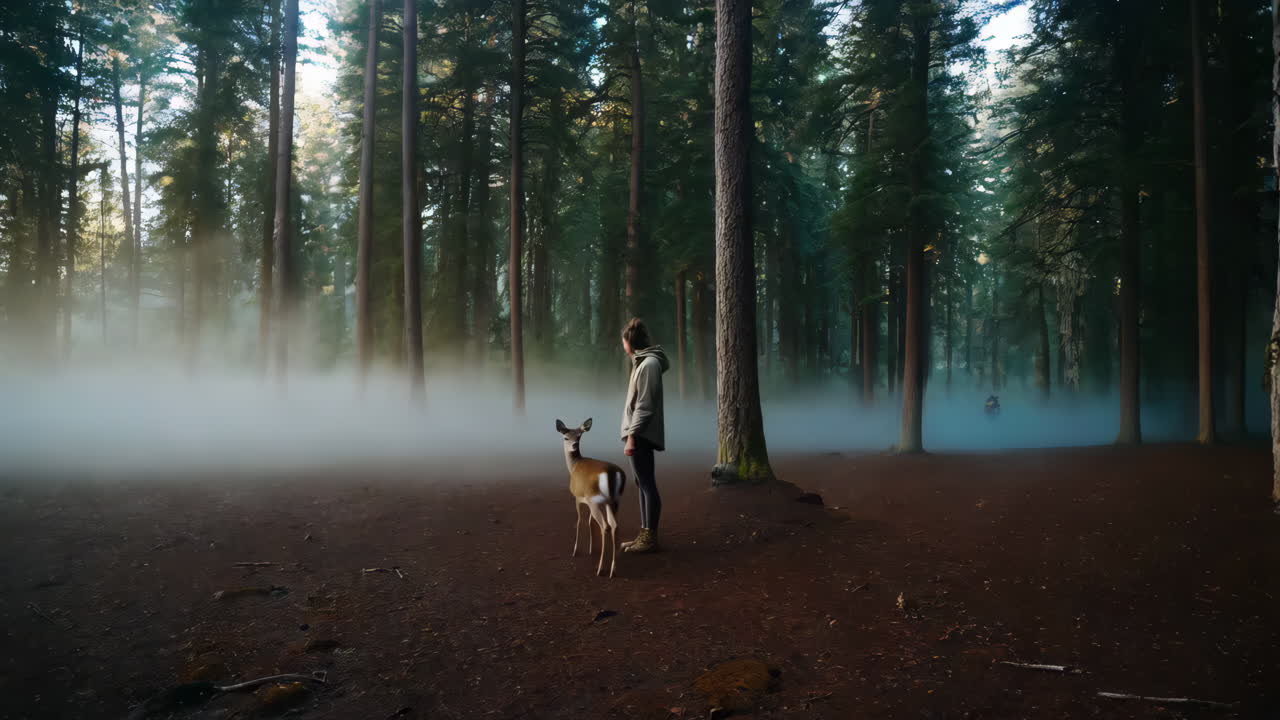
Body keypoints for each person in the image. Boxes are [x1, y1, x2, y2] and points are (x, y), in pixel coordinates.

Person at [619, 317, 669, 553]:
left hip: (641, 434)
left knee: (647, 484)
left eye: (623, 341)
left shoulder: (648, 365)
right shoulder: (642, 363)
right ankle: (644, 534)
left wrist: (632, 436)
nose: (622, 345)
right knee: (642, 483)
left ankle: (650, 539)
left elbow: (644, 405)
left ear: (629, 341)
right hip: (640, 433)